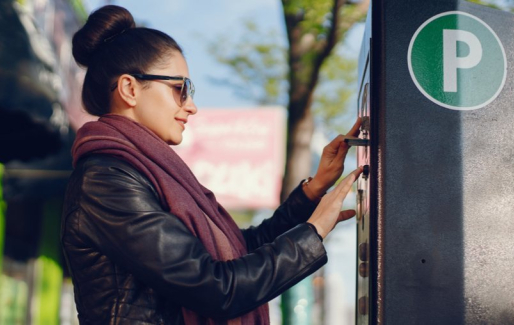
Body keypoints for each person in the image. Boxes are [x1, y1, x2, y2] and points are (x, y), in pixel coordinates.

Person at [62, 5, 363, 325]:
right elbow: (216, 287)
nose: (191, 106)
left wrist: (312, 193)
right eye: (180, 89)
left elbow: (238, 251)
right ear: (130, 89)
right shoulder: (106, 181)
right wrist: (312, 233)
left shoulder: (143, 171)